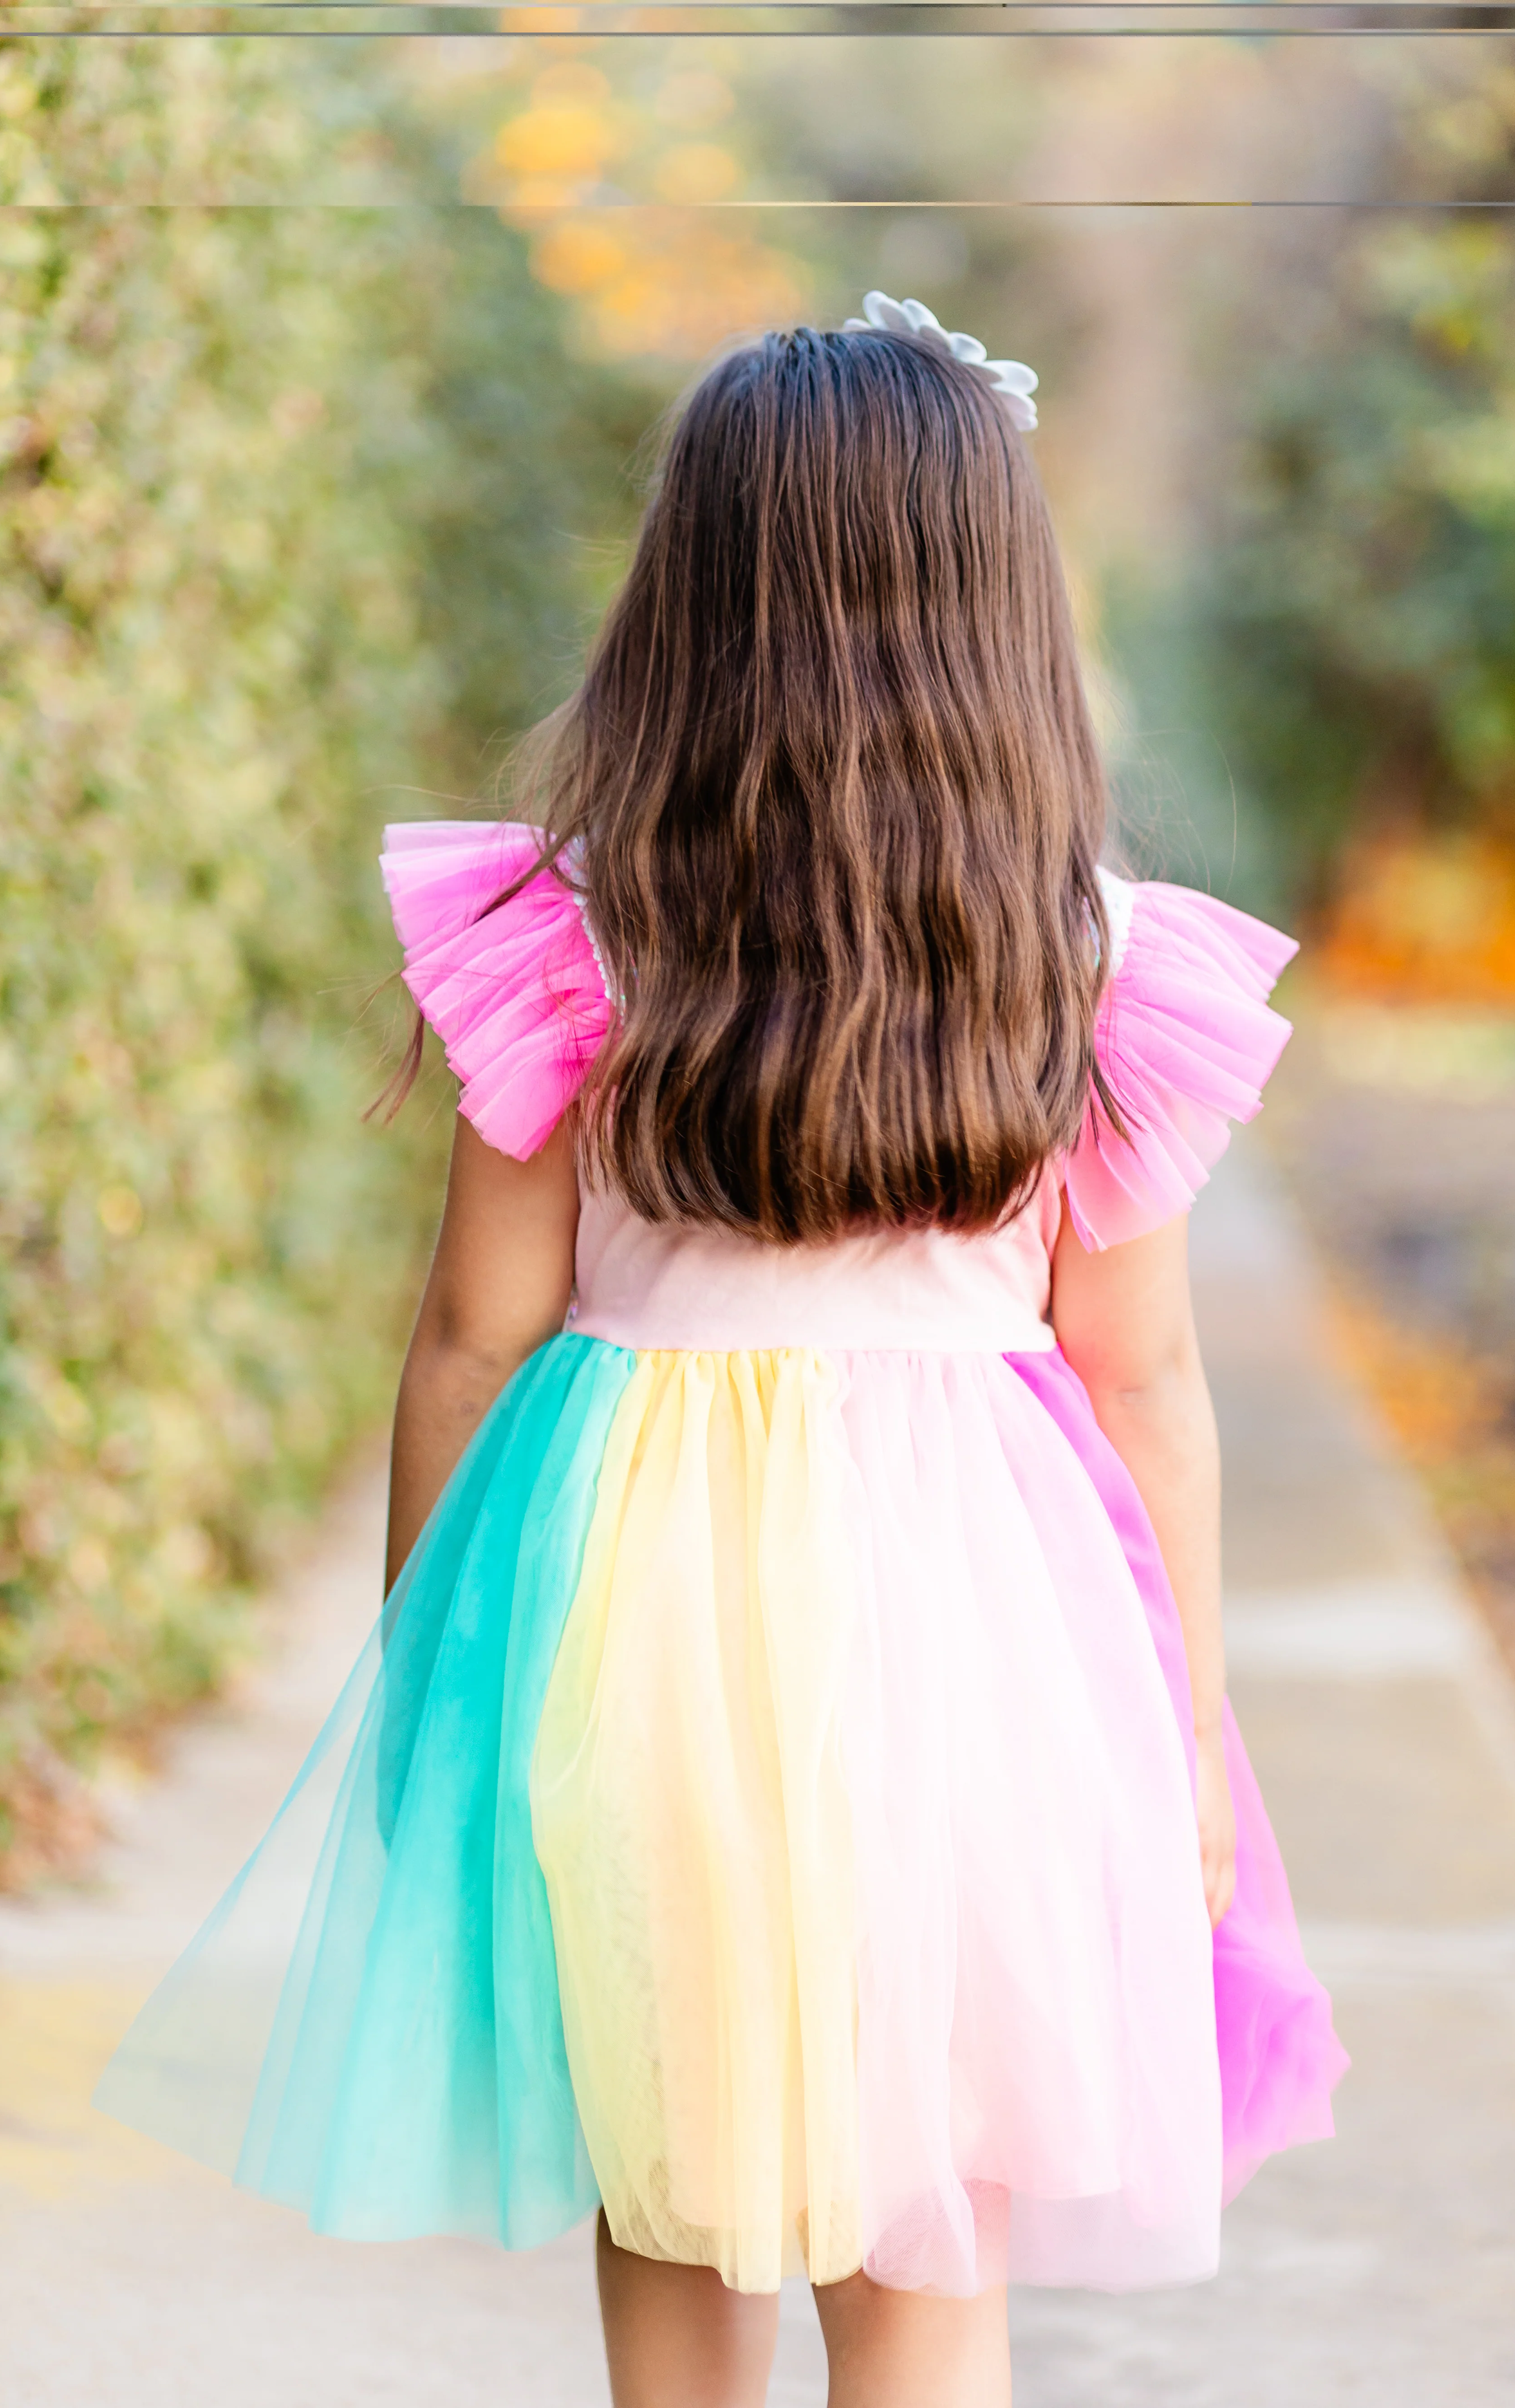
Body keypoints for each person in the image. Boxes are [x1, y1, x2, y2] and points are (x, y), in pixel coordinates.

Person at [97, 296, 1347, 2408]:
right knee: (931, 2193)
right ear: (996, 610)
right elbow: (1143, 1381)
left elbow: (475, 1334)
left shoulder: (571, 926)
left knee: (671, 2158)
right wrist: (1193, 1732)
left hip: (635, 1608)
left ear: (689, 593)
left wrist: (431, 1684)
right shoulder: (1094, 964)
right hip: (982, 1620)